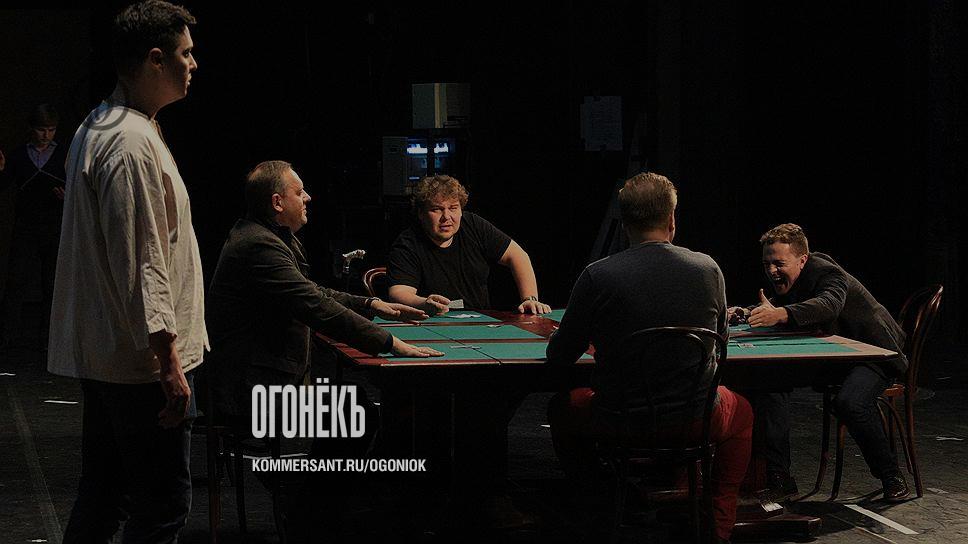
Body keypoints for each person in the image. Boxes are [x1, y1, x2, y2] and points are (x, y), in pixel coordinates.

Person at [206, 160, 442, 541]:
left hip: (266, 382)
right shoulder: (258, 246)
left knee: (355, 408)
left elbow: (314, 291)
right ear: (278, 202)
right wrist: (391, 343)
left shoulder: (268, 236)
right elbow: (314, 306)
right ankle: (308, 512)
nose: (308, 197)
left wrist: (371, 305)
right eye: (299, 192)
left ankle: (313, 506)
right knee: (354, 413)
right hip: (252, 394)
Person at [47, 2, 205, 542]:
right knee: (160, 508)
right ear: (155, 59)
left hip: (115, 357)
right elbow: (142, 262)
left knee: (105, 496)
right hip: (141, 366)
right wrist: (168, 361)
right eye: (185, 53)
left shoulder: (102, 124)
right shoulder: (130, 141)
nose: (193, 64)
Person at [546, 172, 753, 543]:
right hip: (695, 419)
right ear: (672, 219)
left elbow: (560, 356)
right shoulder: (708, 269)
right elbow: (719, 340)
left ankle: (601, 504)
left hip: (619, 420)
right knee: (744, 412)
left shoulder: (597, 276)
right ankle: (716, 526)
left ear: (624, 223)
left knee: (562, 408)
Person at [741, 223, 910, 501]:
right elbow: (781, 306)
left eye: (779, 263)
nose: (771, 270)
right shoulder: (794, 281)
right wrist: (746, 311)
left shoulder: (827, 273)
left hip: (876, 355)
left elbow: (829, 304)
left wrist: (781, 314)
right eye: (767, 264)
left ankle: (890, 474)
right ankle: (779, 477)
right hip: (836, 358)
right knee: (768, 383)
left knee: (850, 402)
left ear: (803, 259)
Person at [387, 174, 551, 314]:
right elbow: (399, 292)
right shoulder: (408, 243)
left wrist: (530, 299)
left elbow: (518, 256)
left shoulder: (473, 225)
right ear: (421, 213)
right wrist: (425, 303)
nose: (446, 217)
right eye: (437, 209)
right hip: (431, 322)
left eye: (453, 208)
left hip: (481, 320)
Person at [0, 104, 66, 349]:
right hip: (26, 226)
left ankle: (48, 336)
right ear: (32, 128)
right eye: (41, 129)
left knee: (51, 283)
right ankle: (7, 336)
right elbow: (4, 185)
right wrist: (1, 171)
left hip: (53, 226)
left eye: (51, 130)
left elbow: (78, 188)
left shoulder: (63, 154)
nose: (46, 135)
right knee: (16, 281)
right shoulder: (19, 155)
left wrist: (66, 195)